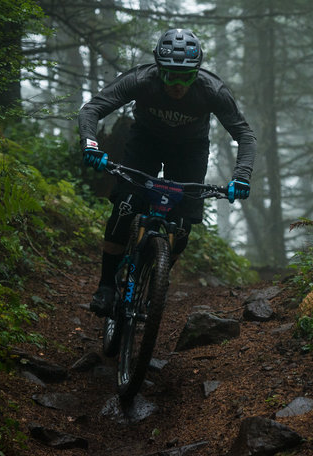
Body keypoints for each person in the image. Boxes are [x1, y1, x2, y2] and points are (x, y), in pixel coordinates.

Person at [78, 28, 256, 317]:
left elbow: (244, 135)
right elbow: (93, 109)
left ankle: (156, 276)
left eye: (186, 76)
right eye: (170, 75)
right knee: (125, 206)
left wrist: (242, 175)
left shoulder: (212, 90)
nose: (178, 83)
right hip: (145, 142)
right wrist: (91, 144)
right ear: (158, 69)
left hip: (190, 150)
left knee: (182, 226)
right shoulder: (141, 79)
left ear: (197, 72)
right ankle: (106, 286)